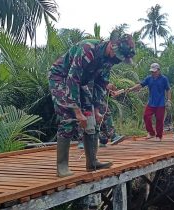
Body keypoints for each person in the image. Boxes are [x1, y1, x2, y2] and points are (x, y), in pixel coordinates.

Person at [48, 31, 135, 177]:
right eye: (117, 56)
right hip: (61, 77)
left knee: (91, 119)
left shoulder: (109, 60)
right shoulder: (88, 49)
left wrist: (96, 110)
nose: (117, 60)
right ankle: (62, 166)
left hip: (82, 82)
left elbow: (101, 84)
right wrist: (76, 111)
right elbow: (72, 79)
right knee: (69, 118)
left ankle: (92, 161)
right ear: (111, 46)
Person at [127, 63, 171, 141]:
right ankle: (151, 132)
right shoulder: (149, 78)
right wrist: (131, 89)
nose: (153, 73)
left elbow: (168, 89)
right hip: (151, 102)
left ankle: (159, 136)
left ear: (158, 70)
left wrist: (168, 100)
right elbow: (140, 85)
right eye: (152, 71)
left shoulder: (164, 79)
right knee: (146, 116)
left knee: (159, 120)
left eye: (154, 71)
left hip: (160, 103)